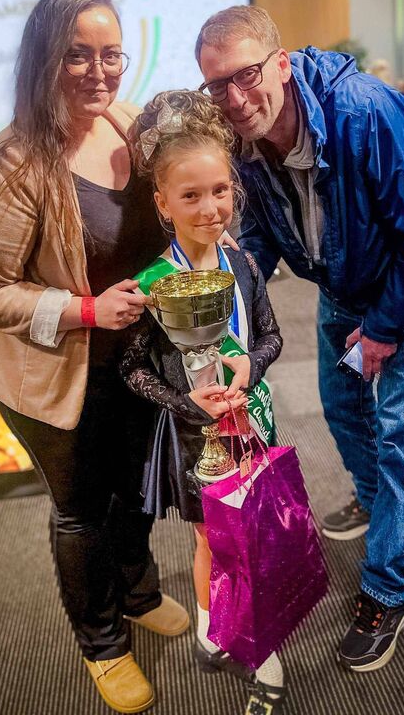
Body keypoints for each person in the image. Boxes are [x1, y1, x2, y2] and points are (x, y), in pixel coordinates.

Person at [195, 5, 404, 672]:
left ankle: (389, 591)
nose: (234, 98)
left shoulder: (363, 112)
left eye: (247, 75)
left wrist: (381, 332)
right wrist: (235, 328)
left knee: (402, 435)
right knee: (343, 406)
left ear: (282, 65)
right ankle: (378, 504)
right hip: (345, 291)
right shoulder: (241, 140)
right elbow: (257, 239)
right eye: (217, 86)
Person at [0, 0, 190, 714]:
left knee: (136, 491)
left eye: (110, 53)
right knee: (82, 511)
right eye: (77, 55)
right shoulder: (13, 163)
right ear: (43, 60)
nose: (99, 71)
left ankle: (140, 591)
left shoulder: (124, 120)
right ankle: (102, 642)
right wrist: (85, 310)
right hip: (59, 376)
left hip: (138, 363)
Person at [121, 89, 285, 714]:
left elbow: (271, 335)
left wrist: (253, 362)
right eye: (190, 195)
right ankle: (212, 625)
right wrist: (190, 403)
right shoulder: (150, 285)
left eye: (220, 190)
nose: (209, 206)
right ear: (162, 203)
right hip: (193, 442)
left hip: (252, 425)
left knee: (254, 542)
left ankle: (263, 650)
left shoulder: (242, 263)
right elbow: (134, 371)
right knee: (211, 544)